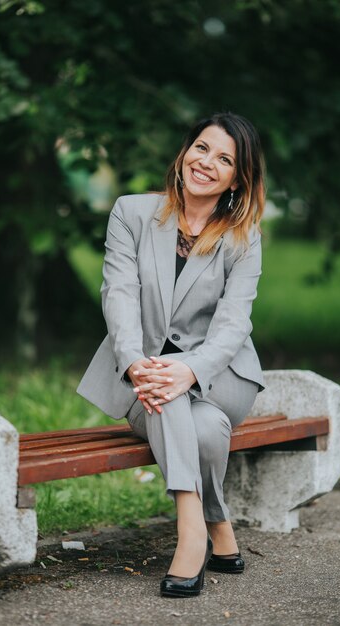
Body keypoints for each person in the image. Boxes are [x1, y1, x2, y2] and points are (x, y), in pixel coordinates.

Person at [77, 111, 266, 598]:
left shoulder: (242, 237)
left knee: (180, 395)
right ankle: (209, 525)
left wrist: (189, 369)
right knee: (195, 422)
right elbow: (117, 293)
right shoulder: (132, 212)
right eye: (201, 148)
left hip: (221, 378)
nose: (206, 163)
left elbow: (233, 324)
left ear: (237, 178)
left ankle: (190, 531)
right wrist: (136, 361)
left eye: (224, 159)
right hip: (142, 373)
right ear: (185, 151)